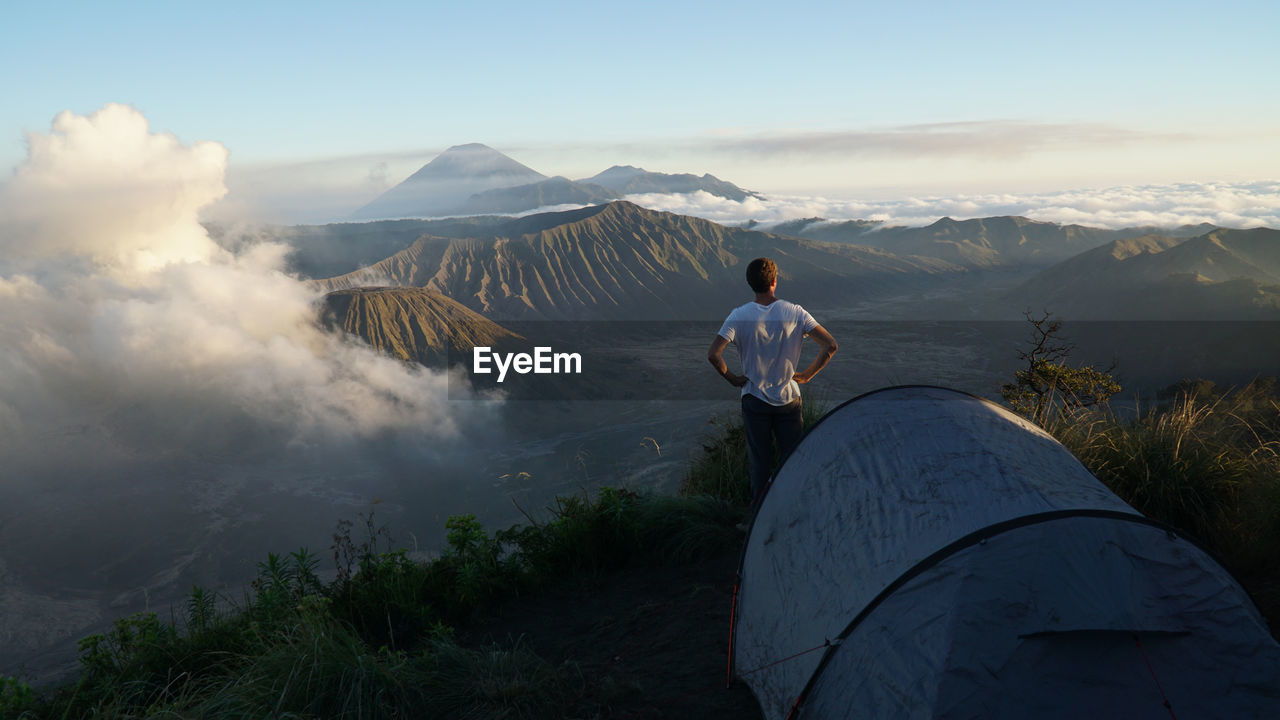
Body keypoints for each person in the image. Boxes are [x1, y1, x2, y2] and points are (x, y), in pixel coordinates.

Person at [707, 257, 838, 507]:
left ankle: (759, 520)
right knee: (793, 461)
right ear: (775, 282)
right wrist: (807, 375)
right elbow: (830, 345)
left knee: (760, 465)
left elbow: (714, 354)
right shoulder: (796, 313)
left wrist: (733, 378)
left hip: (754, 399)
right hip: (789, 399)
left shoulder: (738, 316)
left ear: (750, 284)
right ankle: (797, 511)